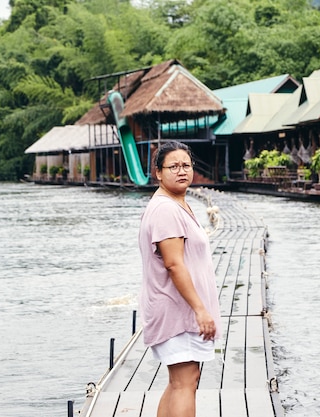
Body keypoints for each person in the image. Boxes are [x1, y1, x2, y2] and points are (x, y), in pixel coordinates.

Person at [139, 140, 221, 417]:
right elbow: (174, 264)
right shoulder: (166, 209)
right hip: (178, 310)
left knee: (179, 383)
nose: (181, 171)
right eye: (173, 166)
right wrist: (200, 310)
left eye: (186, 165)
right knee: (186, 382)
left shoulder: (176, 204)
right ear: (158, 173)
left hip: (177, 309)